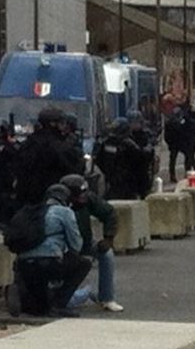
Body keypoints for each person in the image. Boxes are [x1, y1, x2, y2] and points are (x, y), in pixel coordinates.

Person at [9, 184, 92, 318]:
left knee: (39, 309)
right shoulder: (64, 212)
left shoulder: (32, 212)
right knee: (84, 264)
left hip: (23, 265)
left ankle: (20, 292)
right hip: (48, 263)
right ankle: (58, 305)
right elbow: (76, 245)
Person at [60, 174, 123, 312]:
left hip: (85, 242)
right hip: (63, 248)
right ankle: (85, 293)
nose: (83, 198)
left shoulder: (88, 199)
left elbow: (109, 212)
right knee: (67, 302)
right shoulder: (59, 206)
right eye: (79, 195)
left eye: (84, 194)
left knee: (107, 254)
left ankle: (106, 298)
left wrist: (108, 238)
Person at [14, 108, 84, 205]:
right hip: (52, 199)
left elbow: (17, 167)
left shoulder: (29, 143)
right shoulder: (59, 146)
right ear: (53, 124)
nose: (64, 127)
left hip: (27, 201)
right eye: (61, 123)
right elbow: (74, 171)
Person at [95, 117, 145, 199]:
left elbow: (99, 160)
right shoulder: (128, 144)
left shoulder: (106, 142)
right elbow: (140, 161)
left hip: (112, 180)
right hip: (126, 181)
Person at [127, 110, 155, 199]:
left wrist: (145, 150)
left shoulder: (146, 134)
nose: (134, 125)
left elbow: (150, 145)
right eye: (132, 123)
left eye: (136, 123)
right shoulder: (127, 134)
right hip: (130, 167)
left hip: (143, 166)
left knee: (145, 191)